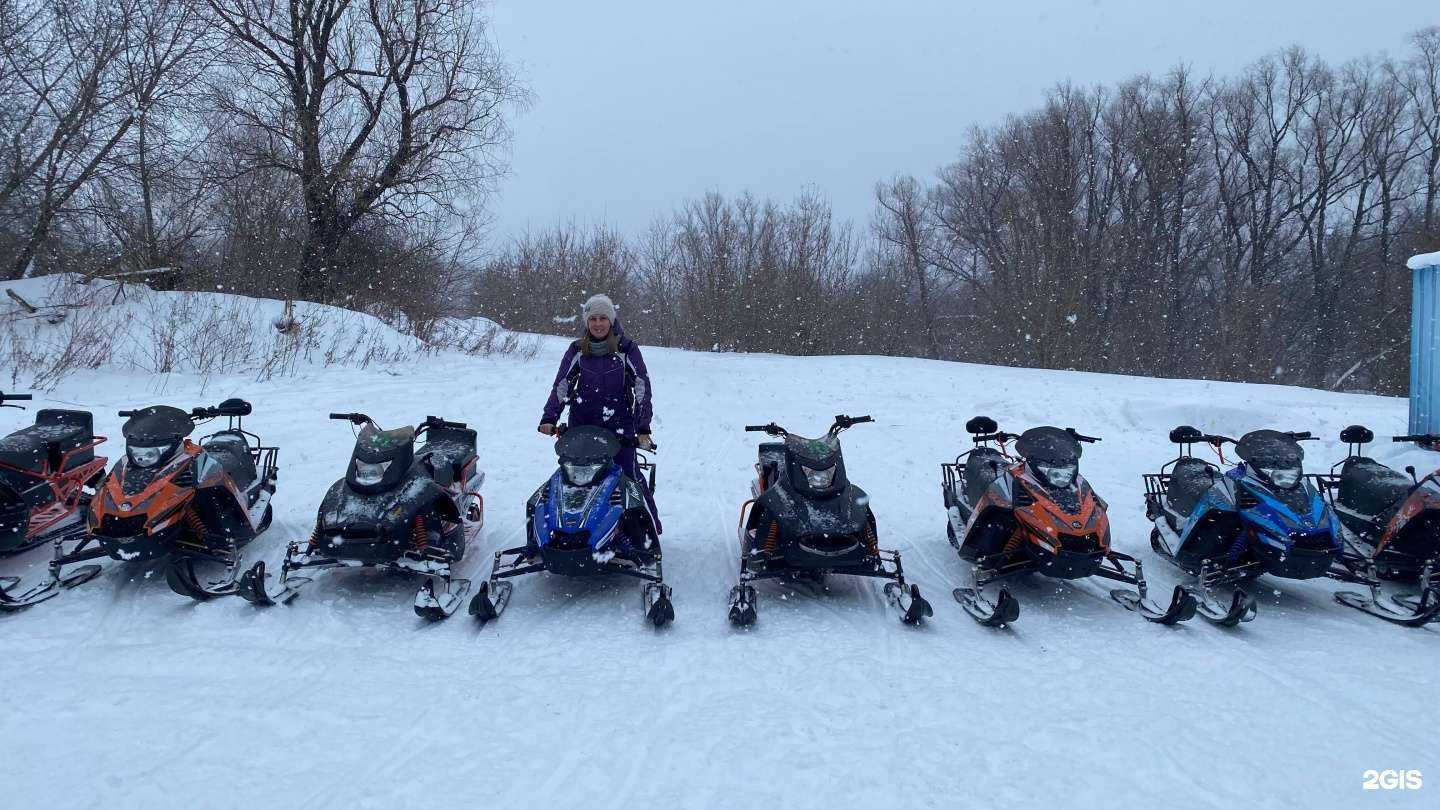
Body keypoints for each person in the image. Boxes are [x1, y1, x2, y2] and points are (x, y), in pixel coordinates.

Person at [539, 294, 660, 535]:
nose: (597, 323)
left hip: (619, 427)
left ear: (611, 320)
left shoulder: (627, 349)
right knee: (573, 480)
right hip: (581, 426)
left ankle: (648, 532)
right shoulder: (576, 350)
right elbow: (562, 384)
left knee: (629, 478)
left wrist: (643, 428)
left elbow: (642, 388)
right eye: (592, 318)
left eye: (602, 318)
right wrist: (549, 417)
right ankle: (567, 531)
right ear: (586, 321)